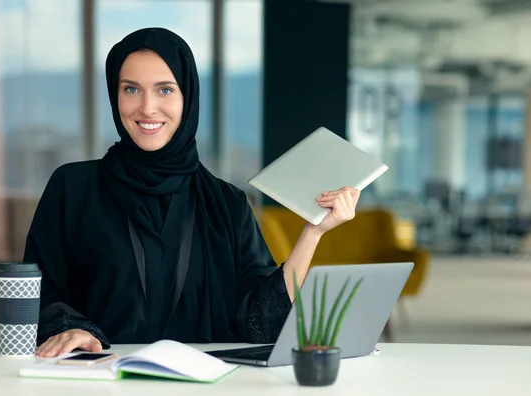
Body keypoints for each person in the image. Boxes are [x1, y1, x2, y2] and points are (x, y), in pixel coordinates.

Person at [25, 27, 360, 358]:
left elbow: (261, 323)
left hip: (205, 385)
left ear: (188, 97)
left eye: (165, 90)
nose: (147, 108)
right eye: (131, 89)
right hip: (97, 380)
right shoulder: (73, 187)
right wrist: (70, 327)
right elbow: (36, 288)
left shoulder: (227, 203)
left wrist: (313, 231)